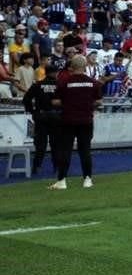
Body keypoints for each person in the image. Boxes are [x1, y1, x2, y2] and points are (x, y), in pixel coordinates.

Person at [50, 55, 102, 189]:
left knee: (65, 150)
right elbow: (98, 102)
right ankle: (87, 179)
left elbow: (55, 101)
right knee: (85, 150)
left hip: (68, 119)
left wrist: (68, 102)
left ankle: (62, 180)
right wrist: (87, 104)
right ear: (85, 67)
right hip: (86, 120)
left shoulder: (64, 82)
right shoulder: (93, 82)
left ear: (71, 67)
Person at [22, 73, 59, 175]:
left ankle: (36, 167)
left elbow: (26, 99)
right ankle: (57, 167)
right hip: (55, 116)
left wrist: (32, 111)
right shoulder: (59, 84)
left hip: (41, 116)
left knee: (40, 144)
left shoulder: (38, 84)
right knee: (55, 144)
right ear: (55, 73)